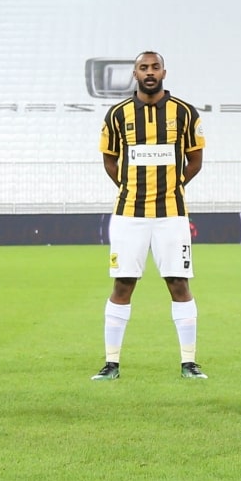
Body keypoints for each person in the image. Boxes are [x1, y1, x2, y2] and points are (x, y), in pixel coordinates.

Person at [93, 51, 206, 381]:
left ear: (164, 73)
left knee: (178, 283)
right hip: (129, 214)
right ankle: (111, 363)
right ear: (135, 74)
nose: (150, 72)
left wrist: (174, 186)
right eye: (143, 68)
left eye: (155, 67)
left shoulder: (184, 113)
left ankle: (189, 362)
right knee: (123, 283)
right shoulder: (118, 114)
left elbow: (195, 160)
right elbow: (110, 160)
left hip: (172, 214)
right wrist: (130, 187)